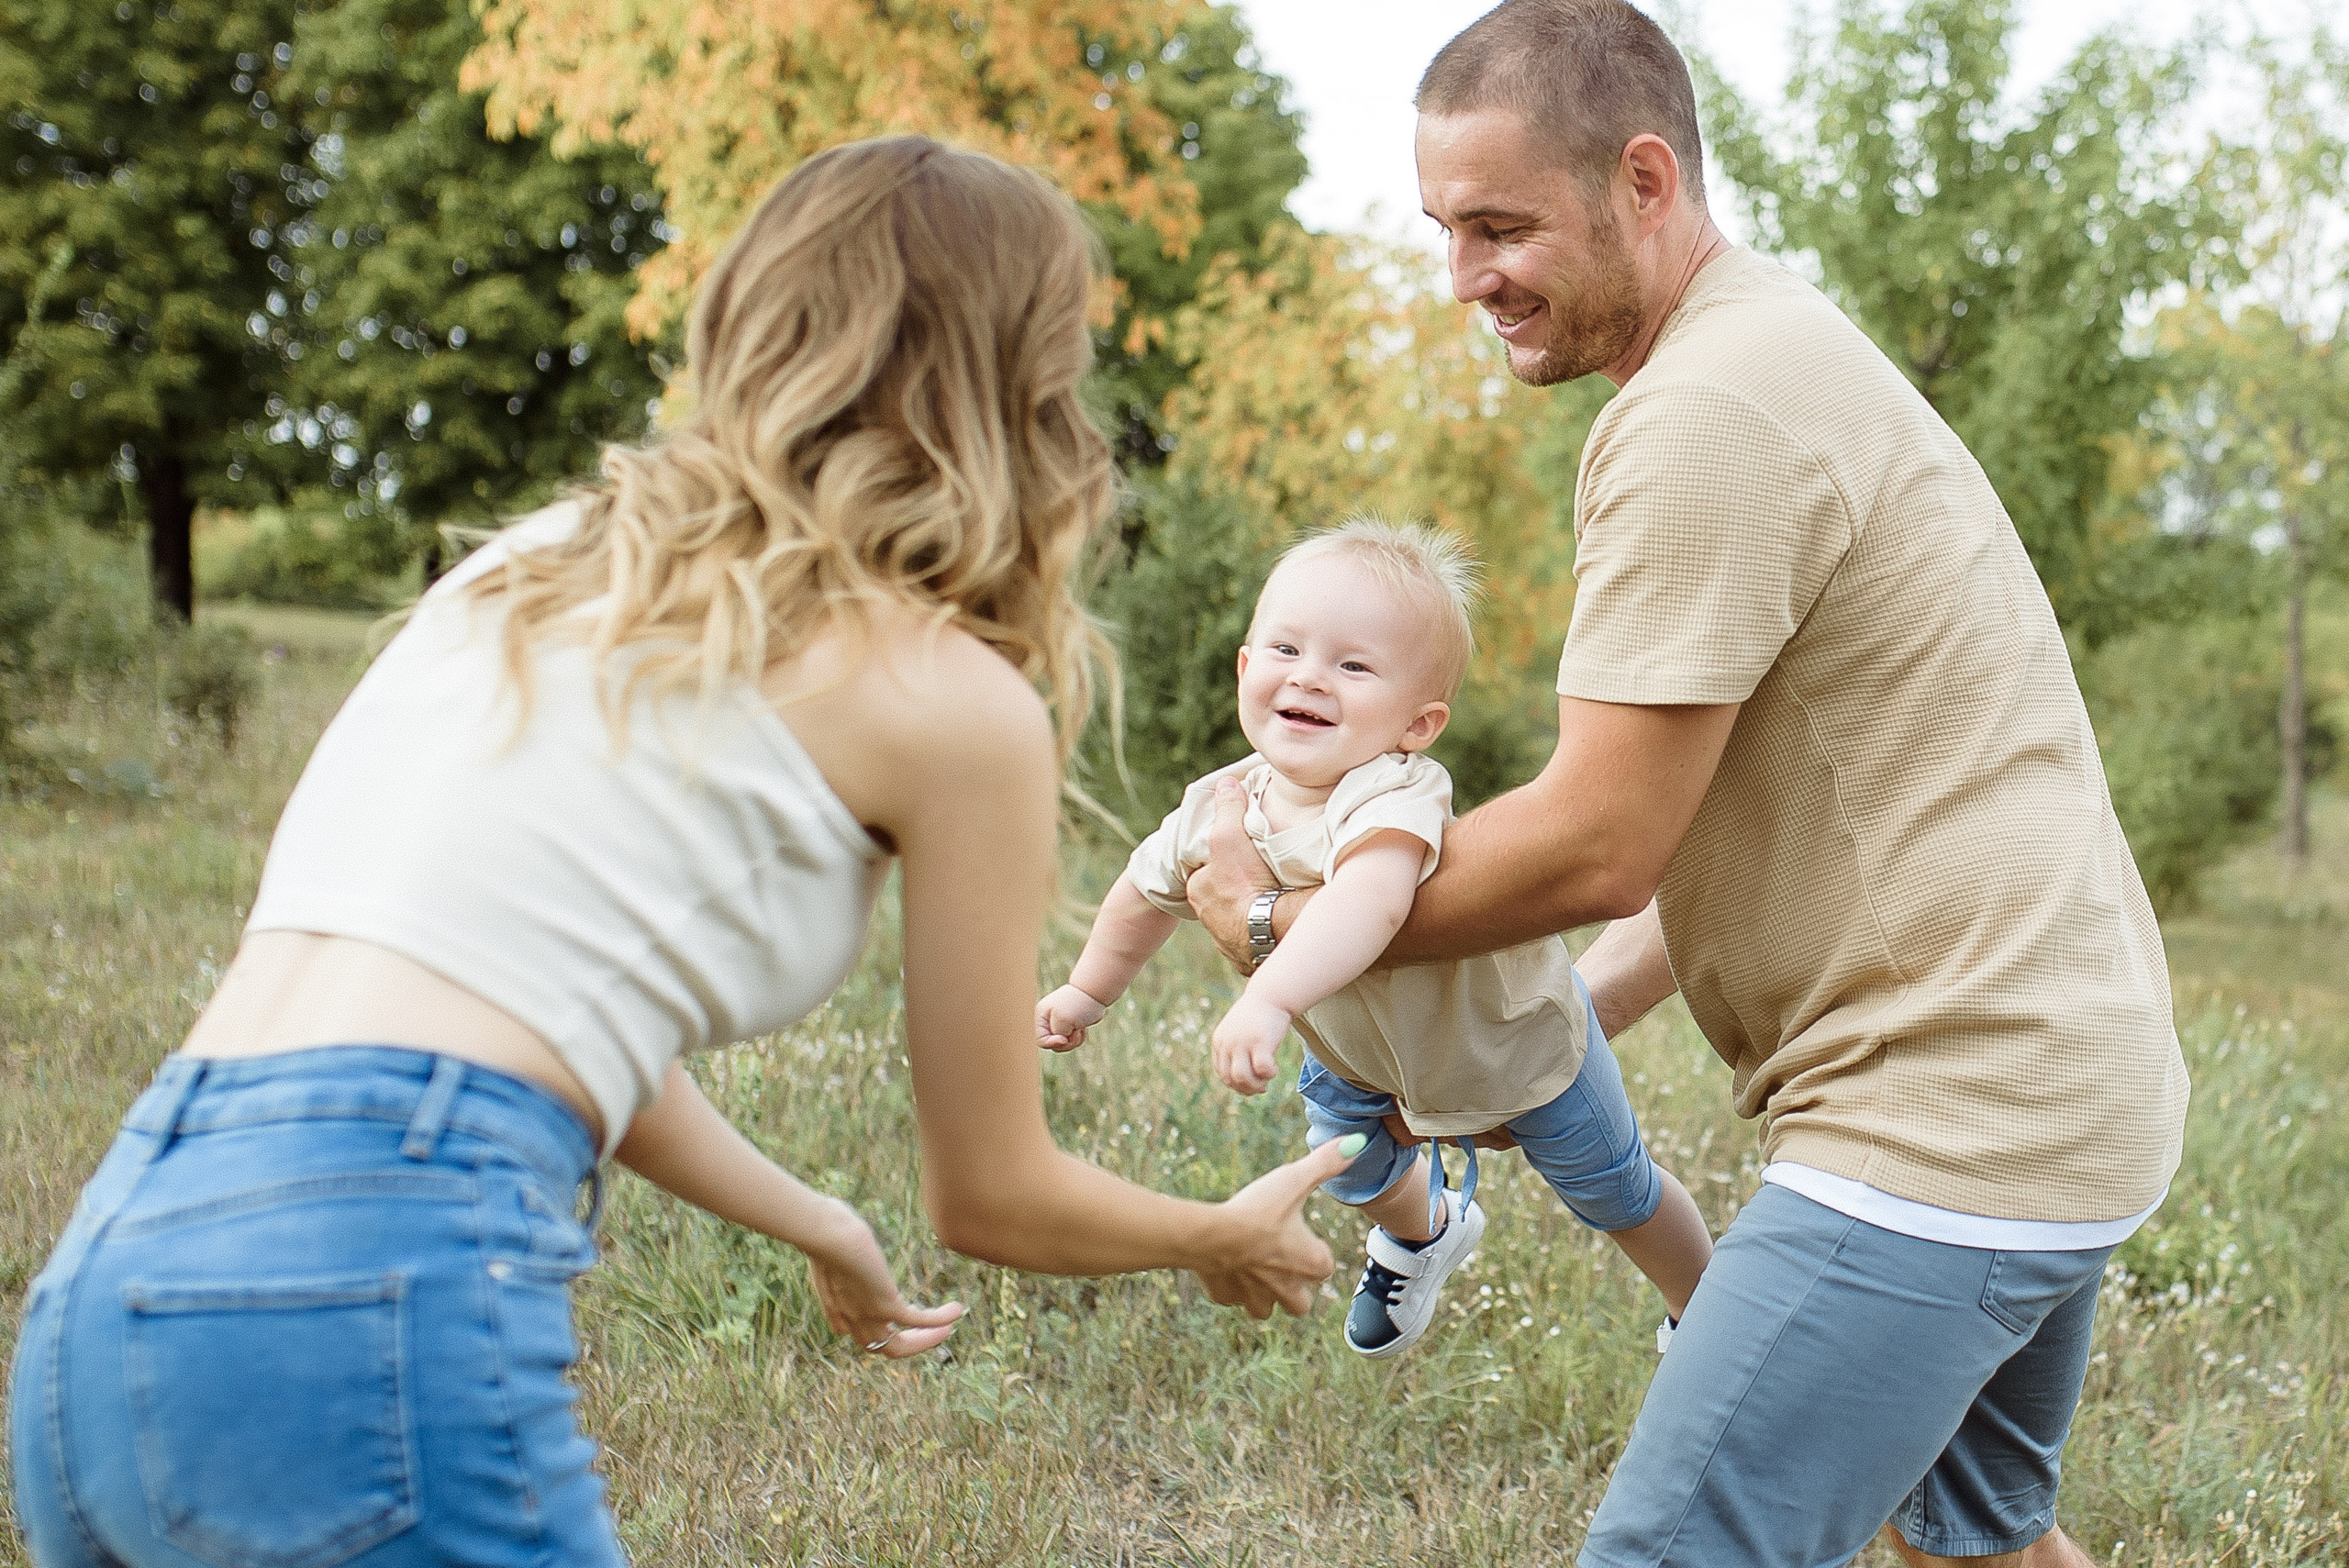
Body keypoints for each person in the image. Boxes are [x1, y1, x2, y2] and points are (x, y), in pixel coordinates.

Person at [6, 136, 1363, 1568]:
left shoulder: (536, 561)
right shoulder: (950, 702)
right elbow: (993, 1192)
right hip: (364, 1285)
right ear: (1022, 392)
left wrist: (818, 1217)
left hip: (110, 1279)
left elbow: (527, 1004)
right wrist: (1215, 1233)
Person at [1182, 4, 2188, 1565]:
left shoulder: (1703, 415)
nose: (1467, 278)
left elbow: (1596, 835)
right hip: (2068, 1082)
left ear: (1643, 180)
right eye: (1447, 229)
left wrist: (1280, 924)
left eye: (1502, 226)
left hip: (1945, 1119)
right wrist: (1555, 1025)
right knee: (1977, 1548)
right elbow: (1723, 815)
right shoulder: (1773, 344)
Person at [1039, 520, 1712, 1361]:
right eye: (1286, 649)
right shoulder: (1221, 803)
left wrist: (1269, 994)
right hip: (1364, 1056)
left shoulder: (1392, 791)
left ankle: (1701, 1307)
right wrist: (1086, 990)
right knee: (1347, 1164)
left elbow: (1369, 903)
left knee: (1618, 1192)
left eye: (1353, 666)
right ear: (1246, 669)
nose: (1310, 677)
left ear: (1418, 723)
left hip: (1515, 1042)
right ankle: (1426, 1230)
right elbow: (1142, 891)